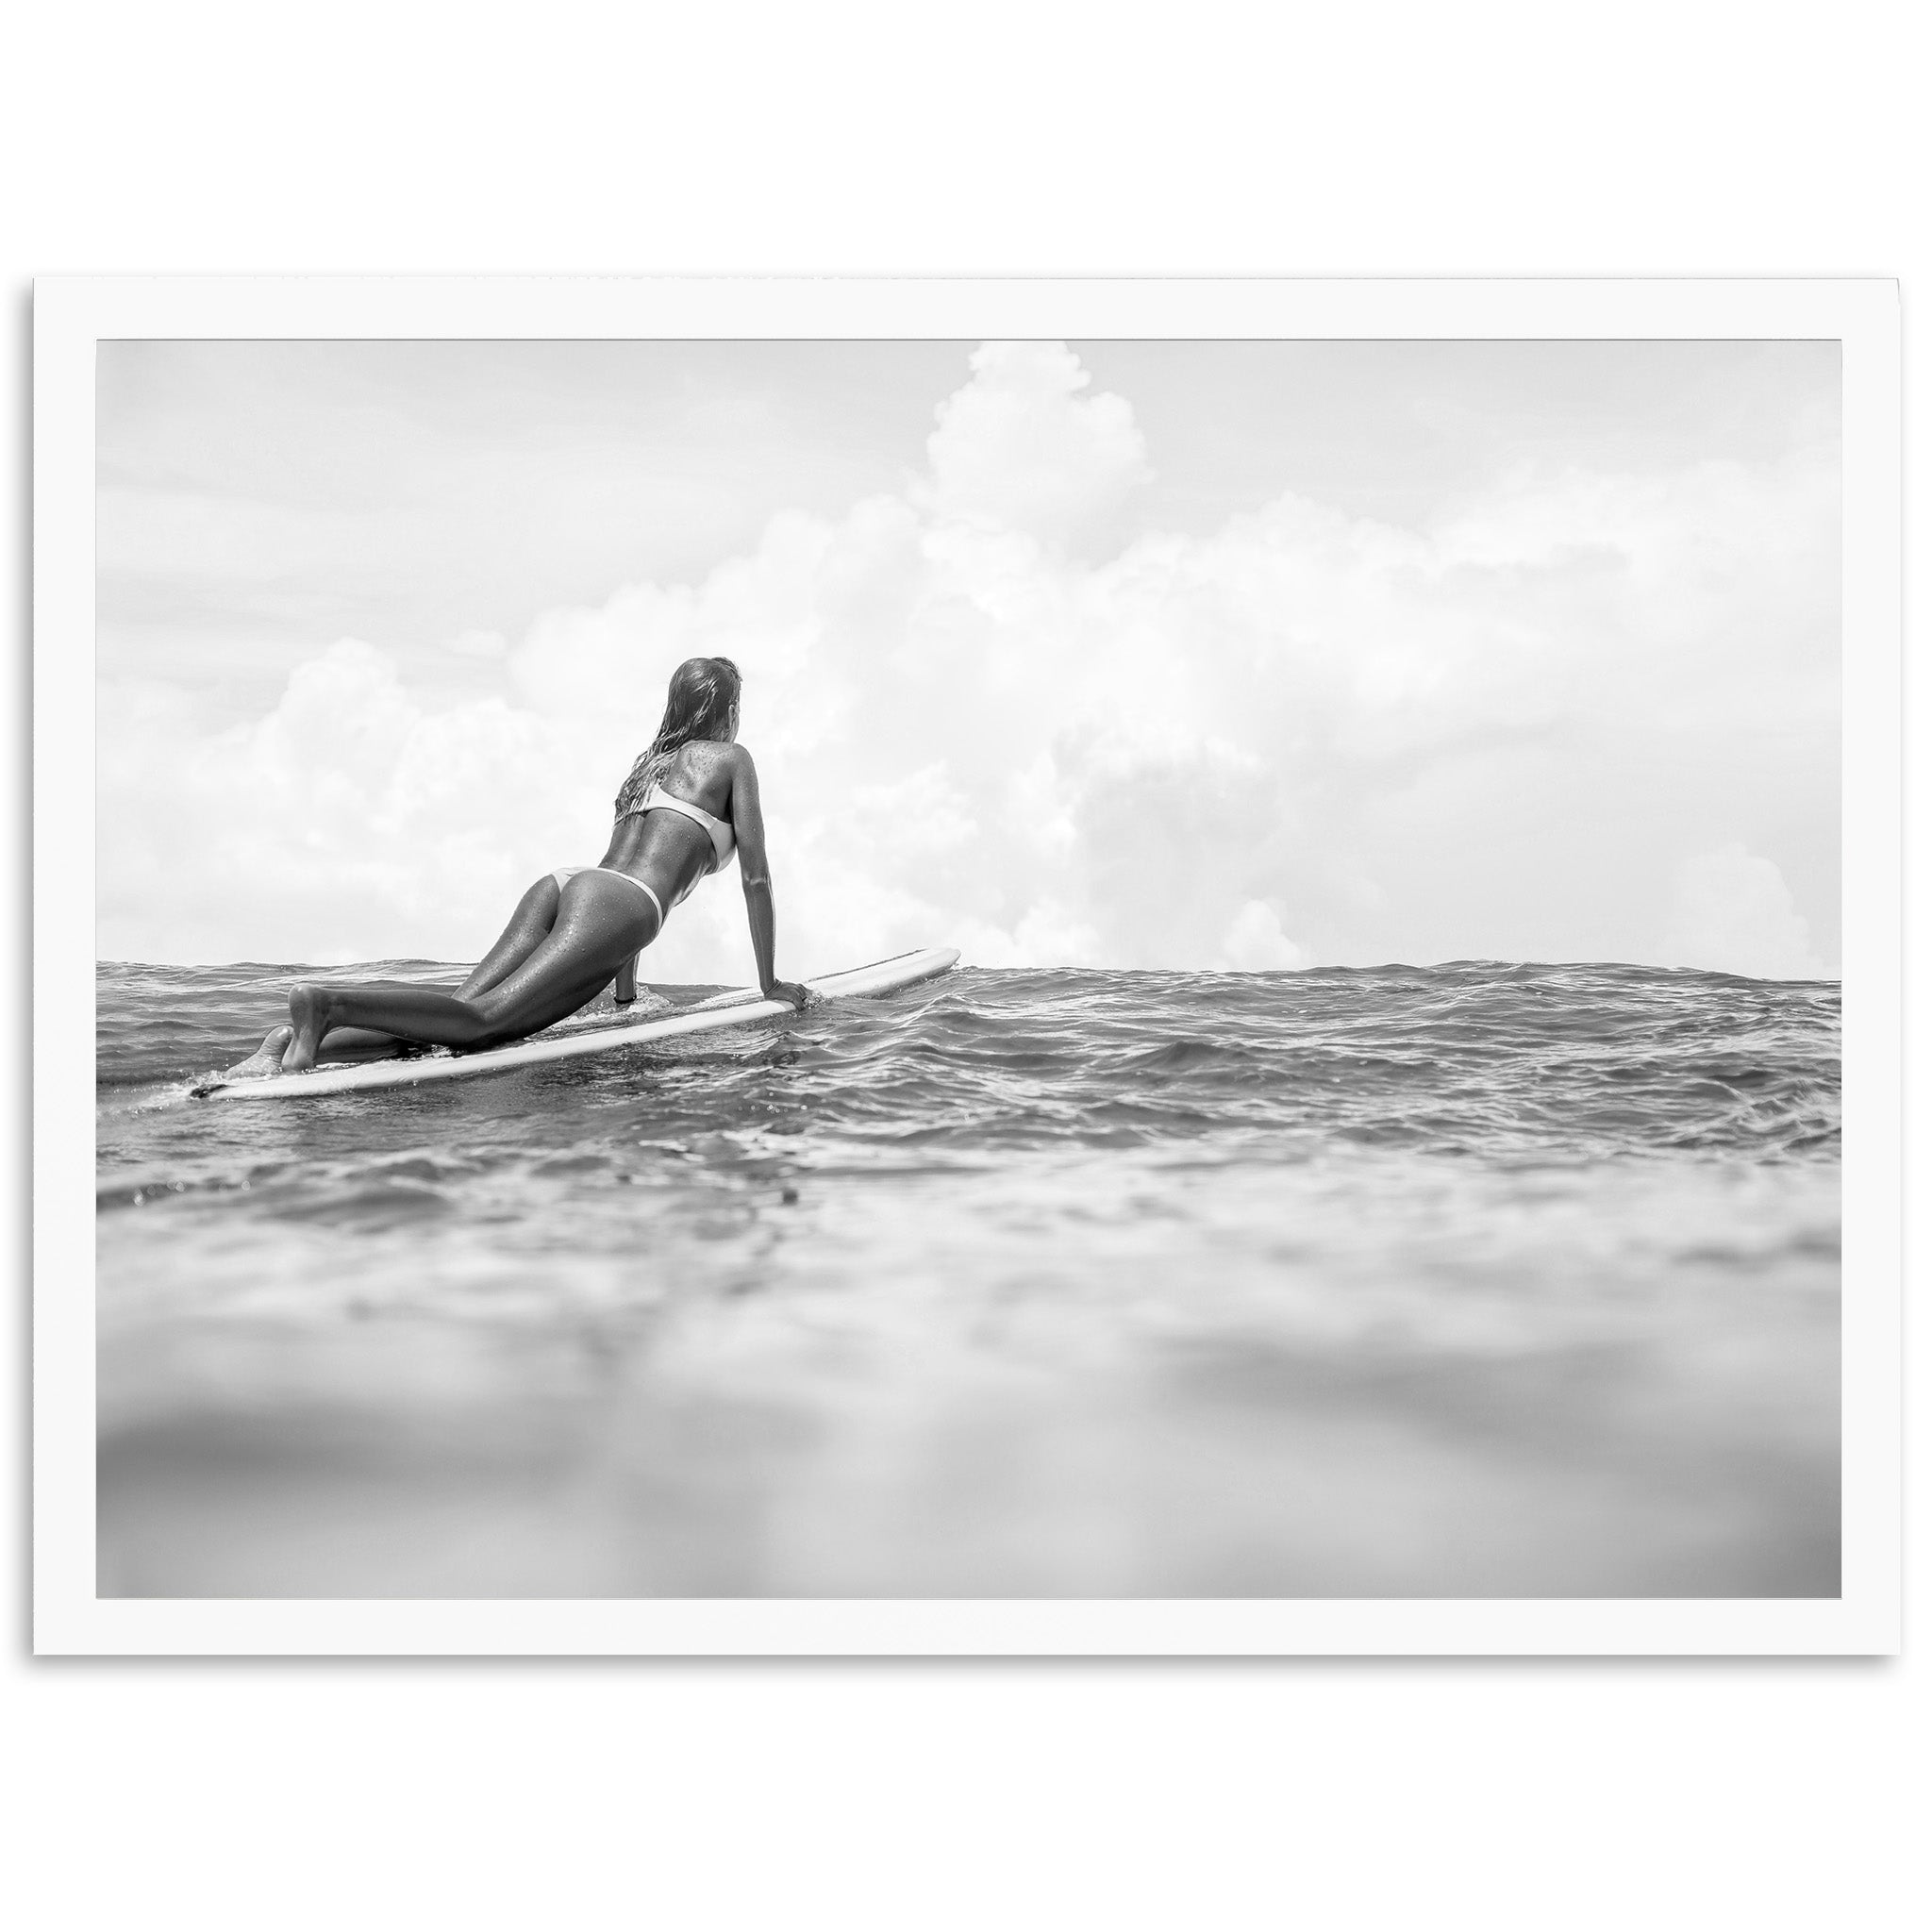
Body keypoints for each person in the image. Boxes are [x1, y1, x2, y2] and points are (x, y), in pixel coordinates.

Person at [228, 656, 809, 1077]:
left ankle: (292, 1043)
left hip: (566, 886)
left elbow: (626, 871)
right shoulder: (731, 760)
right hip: (619, 904)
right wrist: (769, 984)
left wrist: (628, 999)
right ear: (728, 710)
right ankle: (328, 1003)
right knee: (484, 1024)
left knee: (443, 1026)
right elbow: (753, 878)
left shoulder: (645, 770)